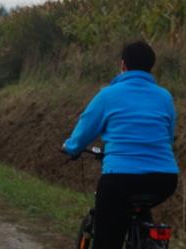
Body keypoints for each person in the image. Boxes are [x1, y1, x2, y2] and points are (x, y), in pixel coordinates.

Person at [62, 41, 179, 249]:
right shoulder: (165, 96)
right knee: (141, 208)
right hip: (164, 180)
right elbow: (169, 137)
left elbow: (84, 130)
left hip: (120, 179)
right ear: (151, 67)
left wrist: (71, 148)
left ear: (123, 65)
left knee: (107, 240)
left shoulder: (108, 95)